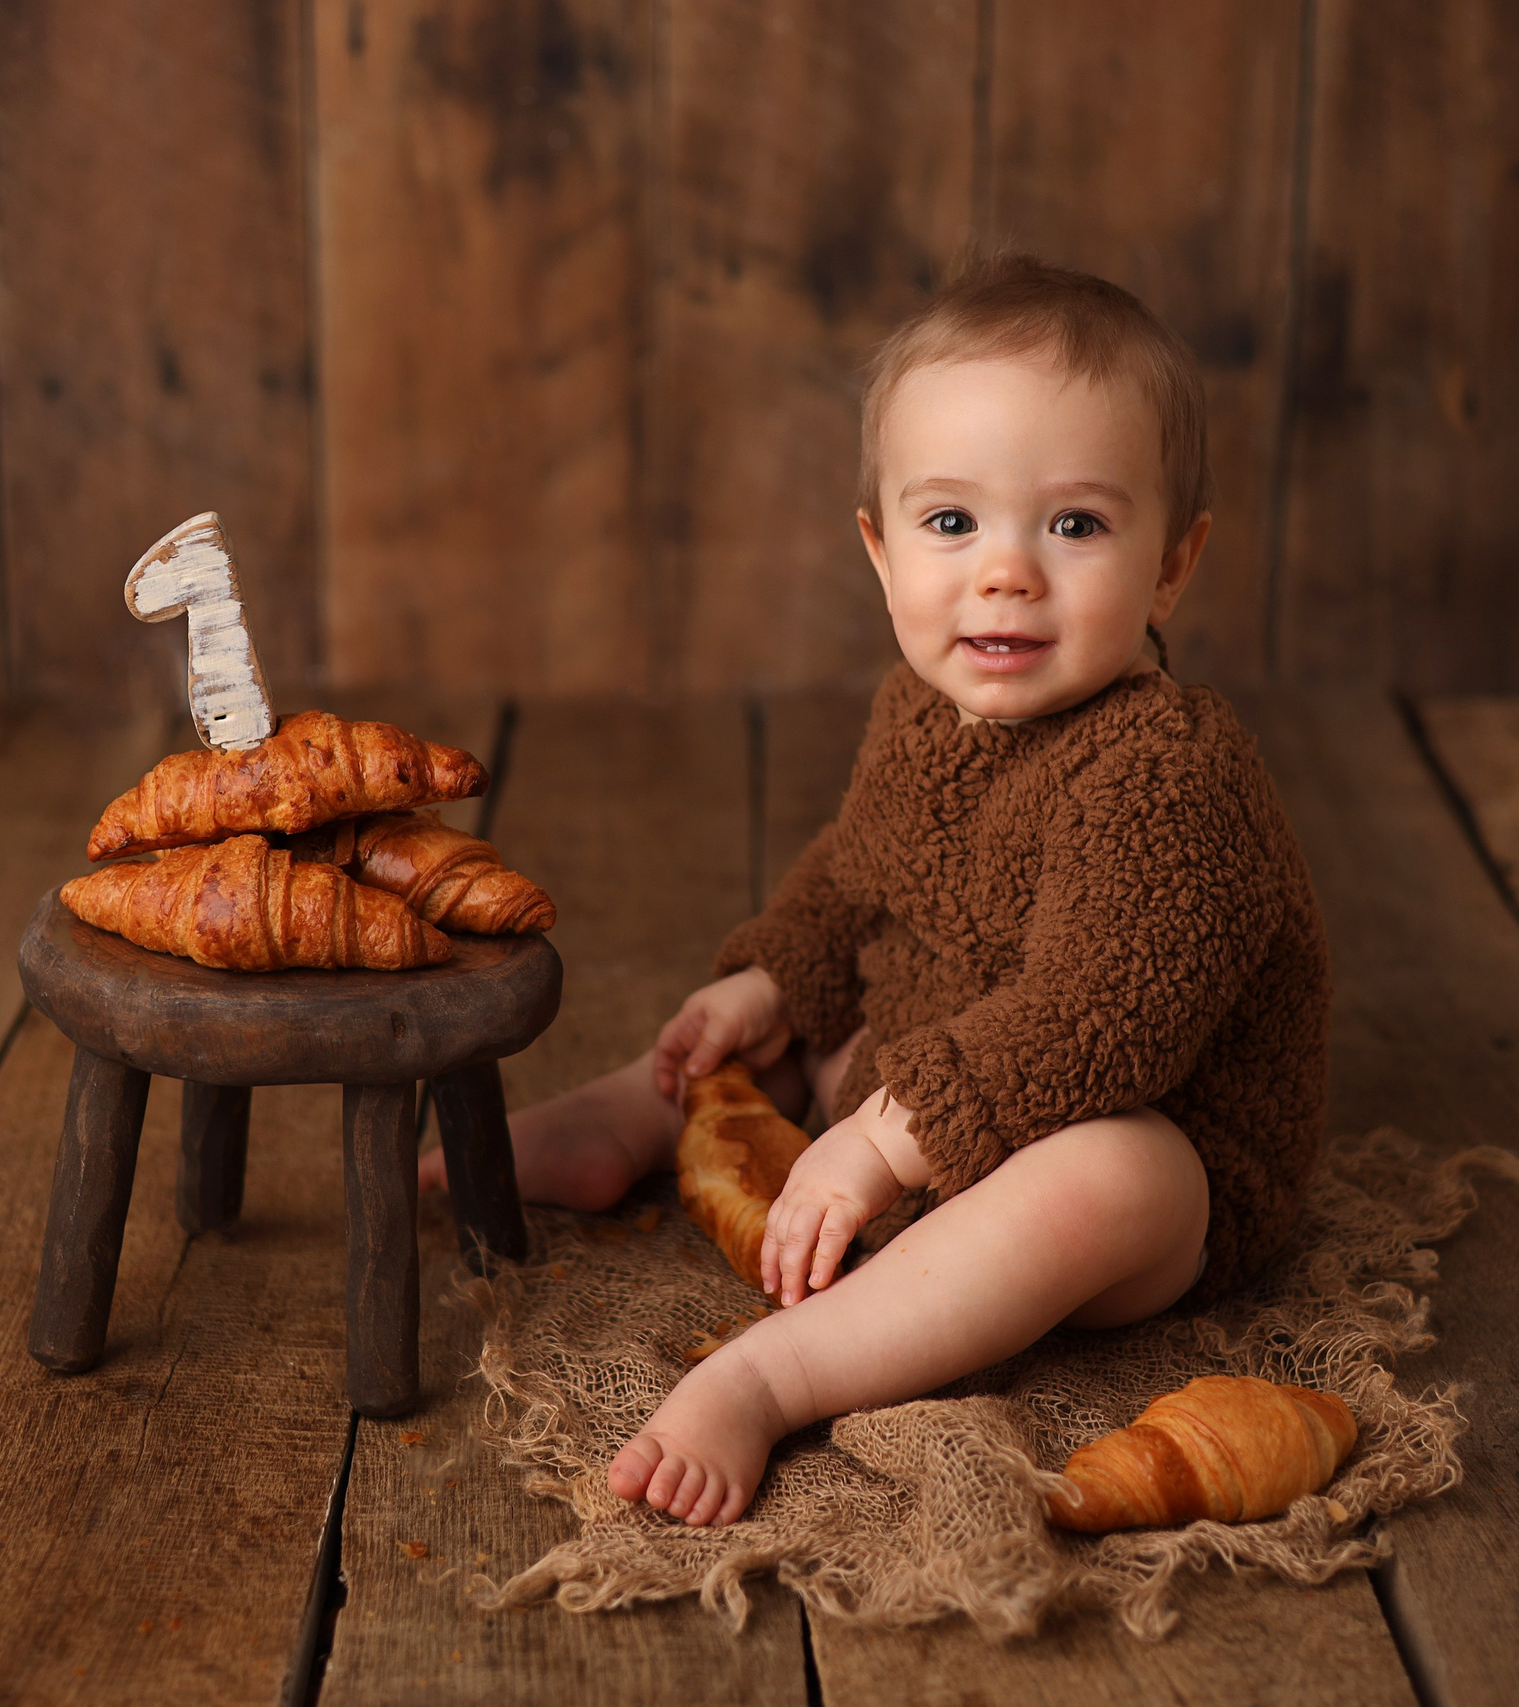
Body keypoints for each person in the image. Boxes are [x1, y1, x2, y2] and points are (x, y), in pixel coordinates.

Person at [422, 254, 1329, 1528]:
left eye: (1075, 524)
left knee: (1112, 1173)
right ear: (879, 544)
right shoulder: (924, 710)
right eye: (952, 523)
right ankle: (627, 1118)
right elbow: (862, 870)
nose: (1006, 571)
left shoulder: (1172, 771)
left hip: (1155, 1160)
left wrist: (880, 1140)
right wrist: (772, 975)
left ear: (1172, 565)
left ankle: (778, 1375)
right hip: (945, 1076)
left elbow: (1092, 1018)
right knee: (793, 1025)